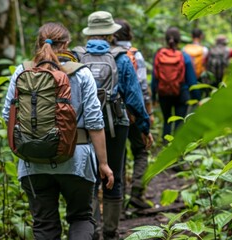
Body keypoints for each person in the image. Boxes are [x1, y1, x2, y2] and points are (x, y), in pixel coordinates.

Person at [2, 22, 114, 240]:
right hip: (77, 160)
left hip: (32, 161)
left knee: (44, 225)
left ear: (39, 43)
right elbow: (94, 121)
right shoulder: (82, 73)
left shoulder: (22, 71)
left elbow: (9, 115)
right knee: (81, 218)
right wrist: (103, 164)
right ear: (67, 45)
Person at [77, 11, 154, 240]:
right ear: (111, 33)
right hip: (116, 124)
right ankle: (111, 232)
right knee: (115, 175)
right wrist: (144, 127)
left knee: (90, 177)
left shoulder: (77, 57)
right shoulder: (121, 57)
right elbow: (134, 97)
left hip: (85, 126)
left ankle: (93, 230)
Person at [113, 18, 153, 209]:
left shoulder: (105, 54)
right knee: (141, 152)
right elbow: (142, 88)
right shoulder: (135, 55)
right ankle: (137, 193)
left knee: (118, 156)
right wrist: (147, 114)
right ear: (129, 34)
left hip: (111, 114)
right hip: (134, 113)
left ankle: (116, 201)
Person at [151, 26, 200, 145]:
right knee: (179, 123)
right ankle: (177, 152)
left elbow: (154, 78)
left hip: (163, 94)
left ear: (166, 39)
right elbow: (192, 80)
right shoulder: (185, 57)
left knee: (167, 120)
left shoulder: (159, 55)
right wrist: (197, 98)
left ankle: (165, 145)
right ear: (179, 40)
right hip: (181, 94)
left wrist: (154, 96)